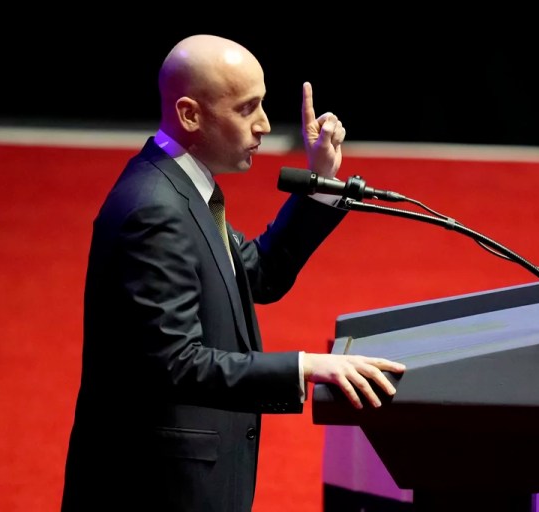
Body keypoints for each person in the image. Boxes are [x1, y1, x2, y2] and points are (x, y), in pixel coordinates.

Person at [60, 34, 406, 512]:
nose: (264, 125)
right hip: (156, 487)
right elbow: (175, 362)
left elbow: (259, 273)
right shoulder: (154, 210)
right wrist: (305, 367)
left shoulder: (182, 187)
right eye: (247, 109)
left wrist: (321, 180)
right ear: (189, 115)